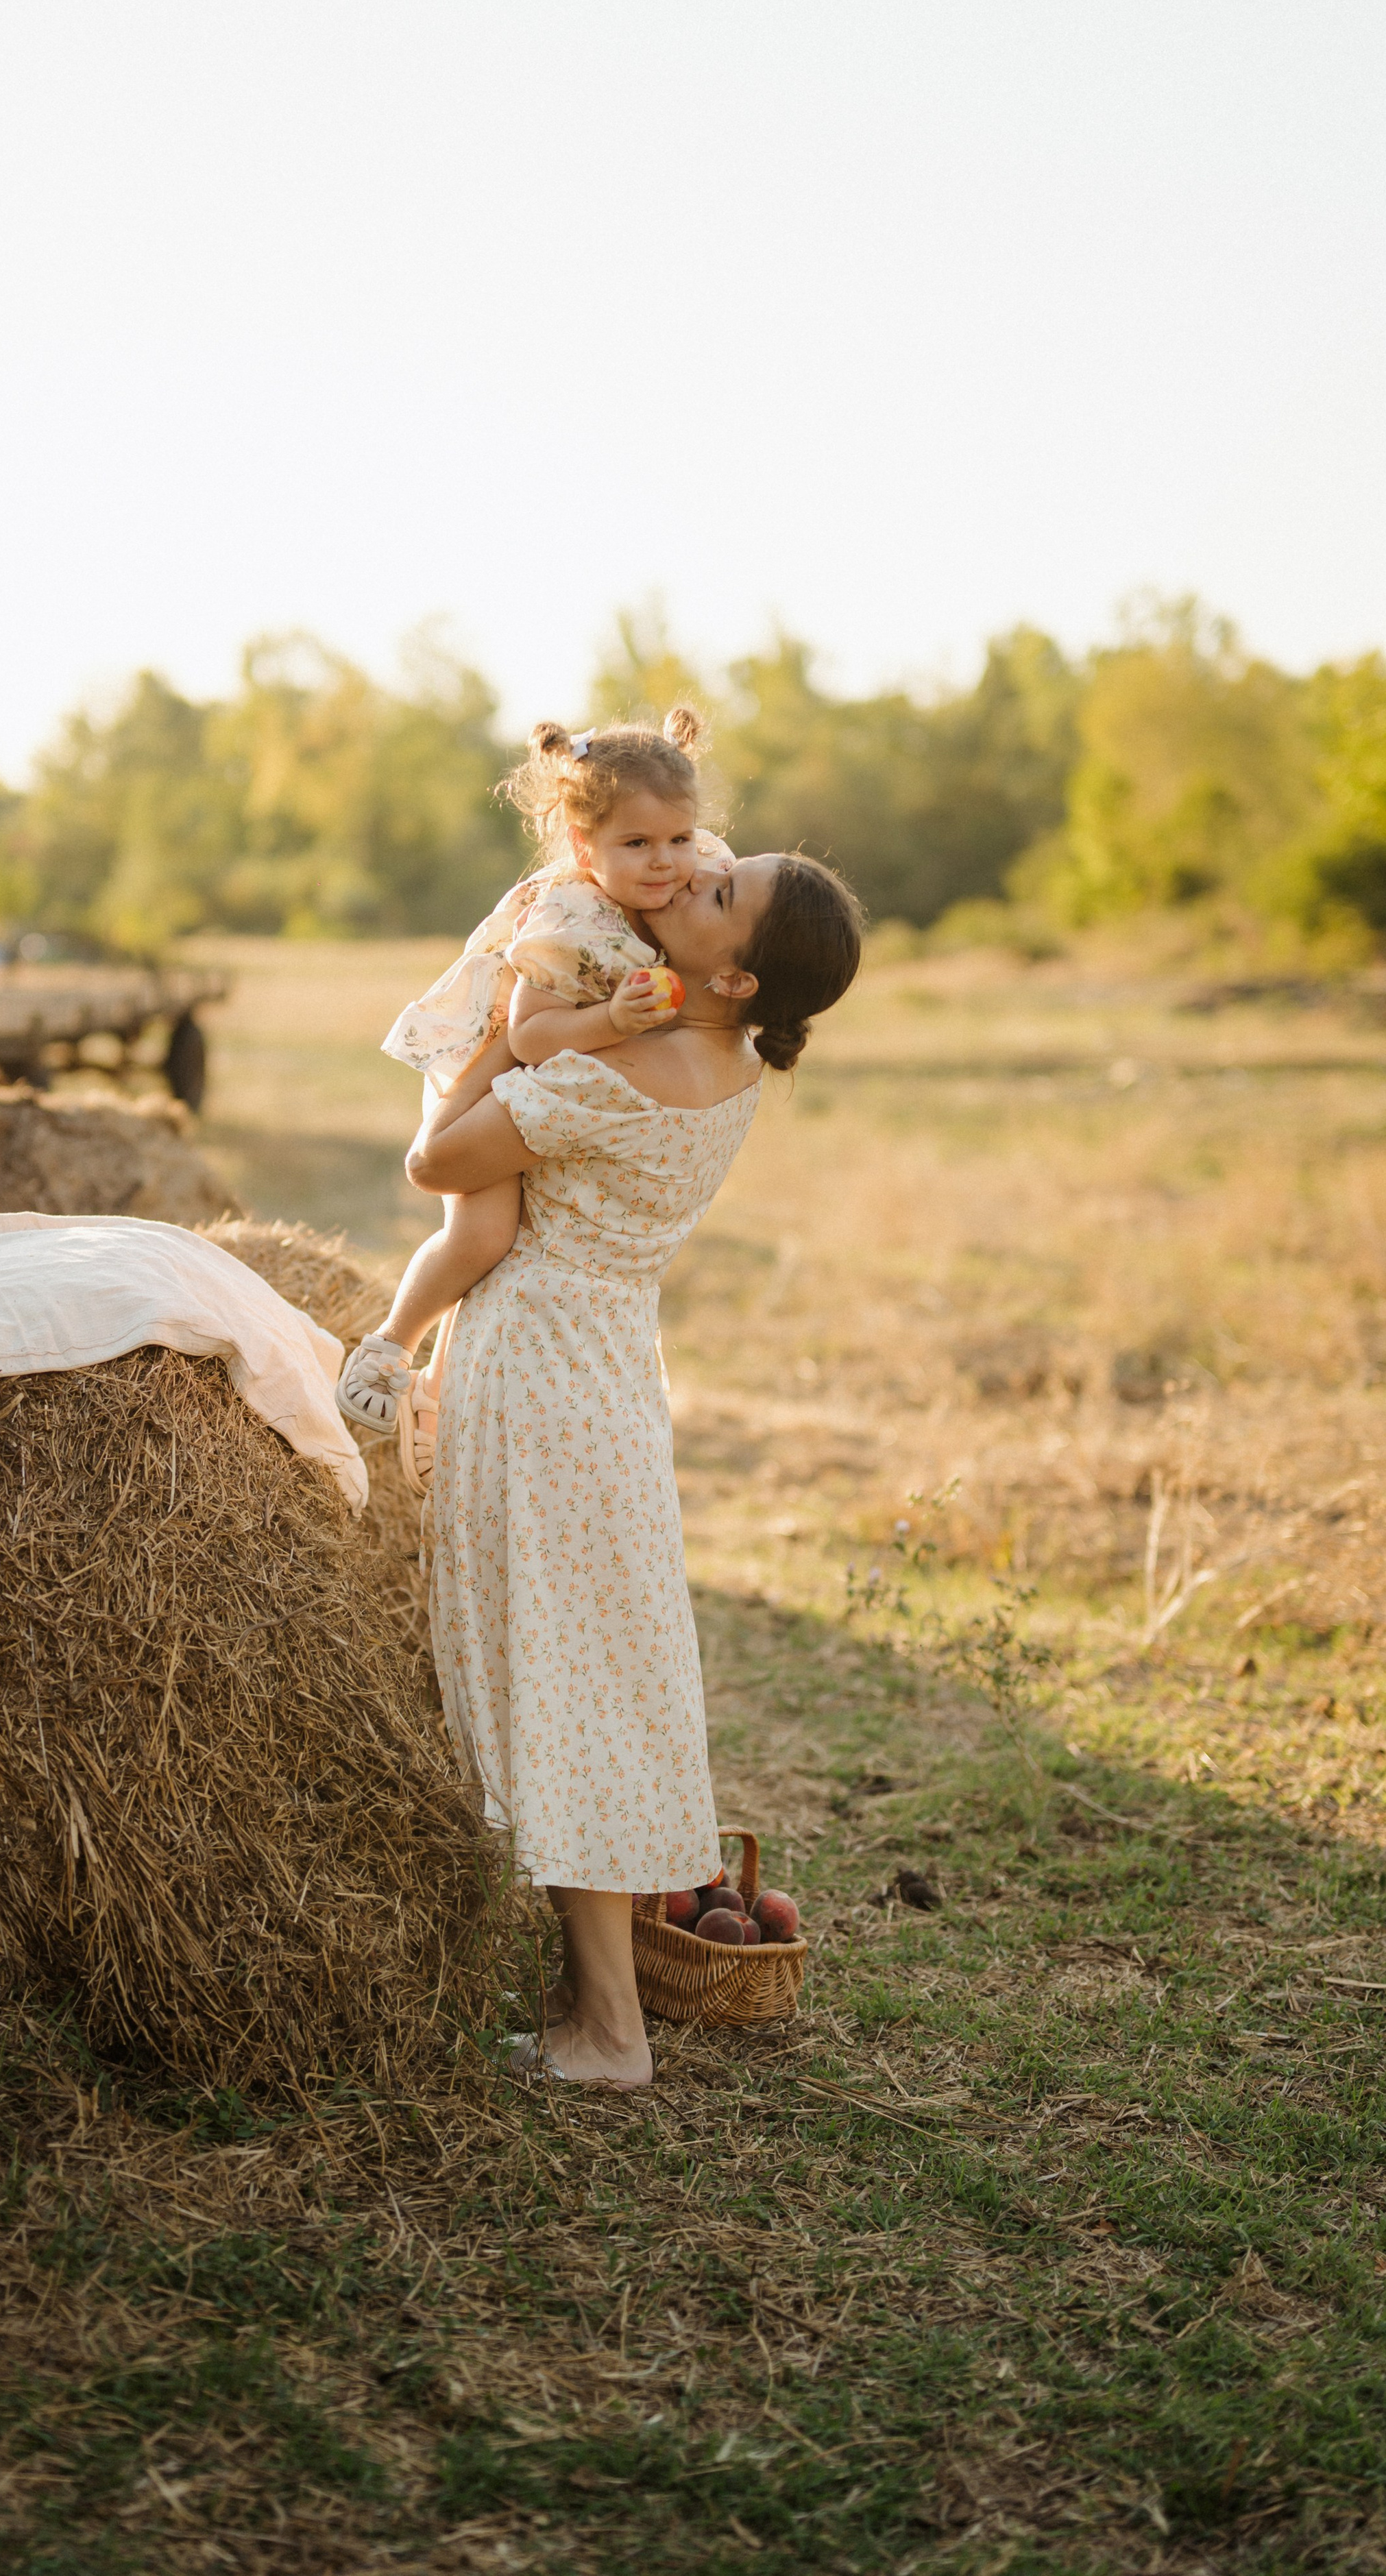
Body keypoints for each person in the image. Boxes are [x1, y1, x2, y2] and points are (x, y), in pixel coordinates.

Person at [404, 836, 863, 2086]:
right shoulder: (729, 1064)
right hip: (608, 1368)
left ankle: (610, 2032)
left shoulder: (624, 1071)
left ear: (740, 978)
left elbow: (437, 1163)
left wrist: (501, 1024)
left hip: (541, 1368)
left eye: (719, 894)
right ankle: (599, 2007)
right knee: (597, 1677)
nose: (687, 882)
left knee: (561, 1680)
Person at [336, 711, 732, 1469]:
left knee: (520, 1247)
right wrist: (613, 1019)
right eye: (637, 844)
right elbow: (530, 1037)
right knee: (485, 1236)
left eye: (679, 838)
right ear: (585, 847)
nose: (665, 862)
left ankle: (438, 1398)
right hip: (482, 1068)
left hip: (548, 1083)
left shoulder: (691, 876)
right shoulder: (571, 919)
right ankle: (388, 1348)